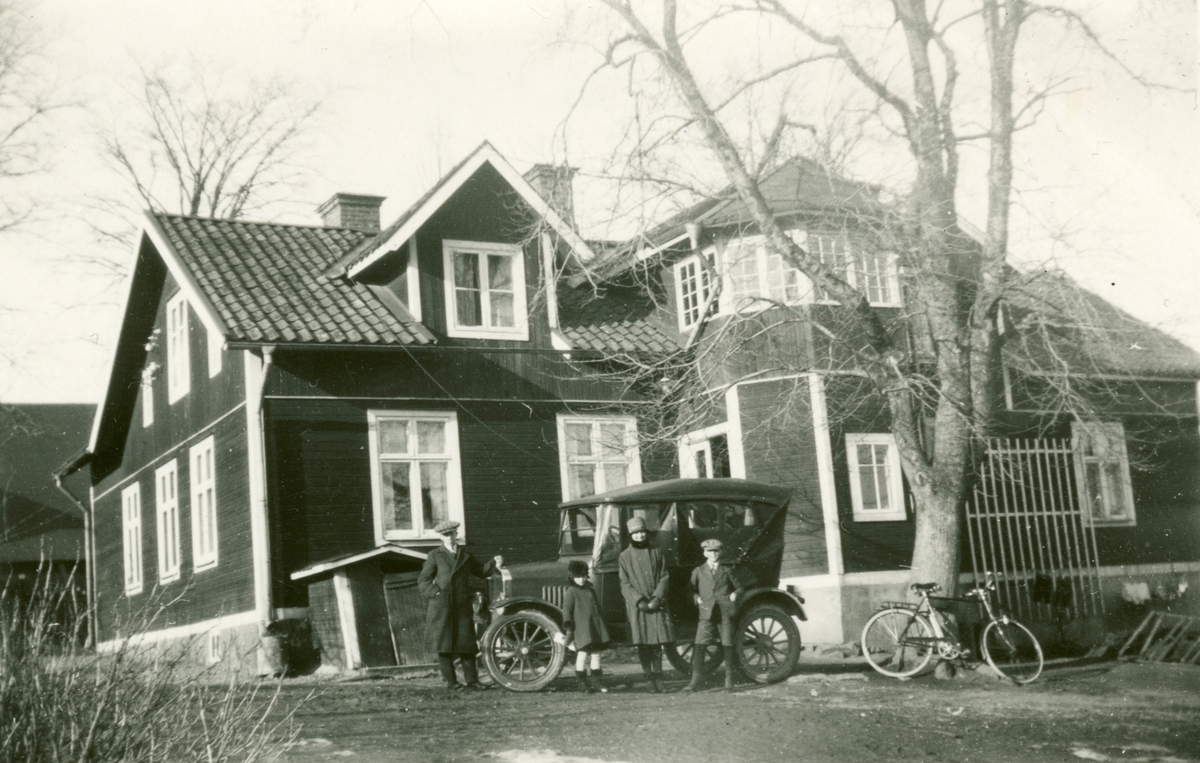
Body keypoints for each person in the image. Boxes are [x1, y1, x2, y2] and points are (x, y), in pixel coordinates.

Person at [418, 519, 503, 690]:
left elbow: (481, 571)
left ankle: (472, 681)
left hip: (462, 606)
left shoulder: (465, 555)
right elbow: (423, 580)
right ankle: (451, 682)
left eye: (452, 534)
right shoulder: (435, 555)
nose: (449, 537)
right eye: (445, 535)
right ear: (441, 538)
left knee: (467, 644)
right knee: (444, 646)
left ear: (457, 534)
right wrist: (436, 593)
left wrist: (493, 562)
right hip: (442, 606)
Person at [618, 515, 673, 693]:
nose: (640, 536)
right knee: (643, 643)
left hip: (657, 604)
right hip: (639, 608)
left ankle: (659, 678)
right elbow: (624, 583)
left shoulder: (656, 551)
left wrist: (657, 598)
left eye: (642, 532)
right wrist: (639, 601)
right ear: (630, 536)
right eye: (636, 533)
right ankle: (648, 678)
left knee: (657, 643)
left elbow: (664, 576)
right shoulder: (625, 557)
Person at [684, 538, 743, 692]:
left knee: (727, 644)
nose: (713, 554)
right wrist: (697, 599)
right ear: (704, 553)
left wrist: (735, 594)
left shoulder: (727, 570)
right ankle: (695, 680)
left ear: (721, 552)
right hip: (706, 612)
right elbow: (689, 590)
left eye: (716, 551)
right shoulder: (698, 571)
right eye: (710, 551)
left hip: (724, 611)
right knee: (699, 644)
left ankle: (729, 679)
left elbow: (740, 587)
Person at [560, 559, 611, 693]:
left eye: (583, 576)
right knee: (582, 654)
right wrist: (569, 627)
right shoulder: (571, 592)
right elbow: (566, 610)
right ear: (572, 577)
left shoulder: (590, 589)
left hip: (594, 628)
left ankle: (596, 682)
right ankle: (581, 683)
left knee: (596, 655)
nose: (581, 579)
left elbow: (597, 607)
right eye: (577, 577)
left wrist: (602, 623)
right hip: (582, 630)